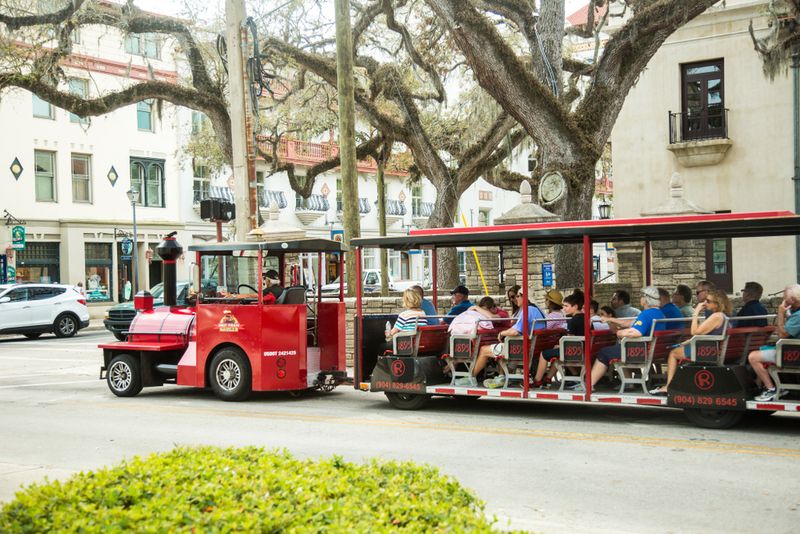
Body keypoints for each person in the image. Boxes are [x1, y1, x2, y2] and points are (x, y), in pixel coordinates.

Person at [575, 286, 666, 391]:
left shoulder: (647, 314)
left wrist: (619, 333)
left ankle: (588, 385)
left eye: (642, 296)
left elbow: (635, 332)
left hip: (638, 351)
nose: (641, 298)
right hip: (651, 350)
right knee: (617, 349)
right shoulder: (659, 313)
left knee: (604, 352)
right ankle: (628, 383)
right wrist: (611, 319)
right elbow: (630, 322)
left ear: (646, 299)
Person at [455, 289, 546, 387]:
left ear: (525, 297)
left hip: (520, 348)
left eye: (518, 296)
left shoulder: (527, 310)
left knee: (484, 350)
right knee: (498, 347)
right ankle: (502, 376)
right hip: (533, 346)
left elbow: (515, 331)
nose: (516, 299)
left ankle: (471, 378)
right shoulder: (537, 310)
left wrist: (502, 333)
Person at [649, 289, 731, 395]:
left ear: (717, 303)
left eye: (708, 301)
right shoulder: (723, 315)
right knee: (679, 349)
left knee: (673, 353)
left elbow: (694, 332)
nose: (705, 303)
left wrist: (696, 312)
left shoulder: (716, 316)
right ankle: (677, 383)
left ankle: (668, 386)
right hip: (712, 348)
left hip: (708, 351)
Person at [748, 284, 800, 401]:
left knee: (753, 357)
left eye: (784, 298)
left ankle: (771, 389)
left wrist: (780, 314)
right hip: (791, 350)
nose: (783, 300)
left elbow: (782, 335)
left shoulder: (798, 316)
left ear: (793, 300)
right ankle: (763, 386)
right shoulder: (796, 312)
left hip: (792, 354)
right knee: (763, 349)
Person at [533, 292, 585, 387]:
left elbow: (569, 339)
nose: (564, 308)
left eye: (566, 306)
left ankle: (537, 380)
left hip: (575, 351)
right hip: (582, 349)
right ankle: (548, 378)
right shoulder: (585, 318)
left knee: (544, 354)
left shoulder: (573, 321)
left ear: (575, 306)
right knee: (556, 353)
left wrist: (561, 345)